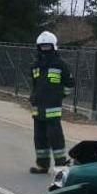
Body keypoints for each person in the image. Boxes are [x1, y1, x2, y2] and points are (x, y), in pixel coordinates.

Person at [29, 31, 74, 174]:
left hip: (53, 107)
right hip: (38, 107)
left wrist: (60, 96)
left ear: (53, 47)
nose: (45, 50)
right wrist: (34, 97)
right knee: (39, 137)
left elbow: (70, 84)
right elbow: (35, 85)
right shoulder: (36, 65)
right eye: (43, 47)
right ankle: (42, 165)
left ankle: (61, 165)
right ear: (38, 47)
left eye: (47, 47)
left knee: (55, 136)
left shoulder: (61, 65)